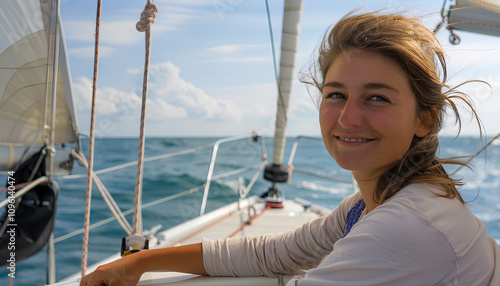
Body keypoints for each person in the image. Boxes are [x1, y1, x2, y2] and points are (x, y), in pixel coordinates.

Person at [81, 11, 500, 286]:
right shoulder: (378, 201)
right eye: (336, 94)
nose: (348, 118)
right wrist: (140, 262)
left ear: (424, 119)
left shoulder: (407, 227)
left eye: (377, 98)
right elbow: (276, 253)